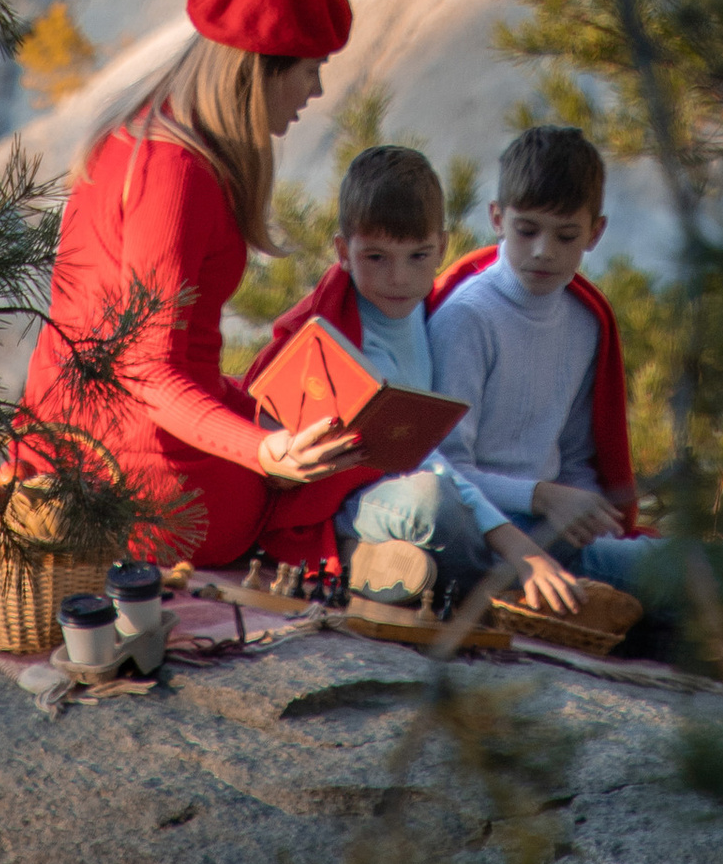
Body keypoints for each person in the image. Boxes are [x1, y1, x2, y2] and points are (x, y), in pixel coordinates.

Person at [7, 0, 364, 571]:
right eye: (312, 69)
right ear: (259, 72)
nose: (318, 89)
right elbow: (148, 375)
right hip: (128, 481)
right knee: (335, 474)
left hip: (70, 441)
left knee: (318, 440)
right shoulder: (178, 176)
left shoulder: (144, 134)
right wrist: (263, 452)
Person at [242, 142, 591, 620]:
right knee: (434, 504)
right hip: (350, 501)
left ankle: (408, 570)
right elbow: (425, 461)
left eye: (417, 256)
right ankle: (355, 558)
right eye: (377, 258)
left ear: (442, 248)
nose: (398, 279)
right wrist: (518, 547)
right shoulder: (343, 339)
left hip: (411, 490)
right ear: (343, 252)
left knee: (458, 508)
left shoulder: (430, 314)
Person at [428, 122, 723, 631]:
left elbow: (575, 456)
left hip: (556, 533)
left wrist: (591, 519)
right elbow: (444, 469)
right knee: (695, 584)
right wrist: (542, 496)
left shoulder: (583, 321)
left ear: (595, 232)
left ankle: (601, 602)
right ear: (497, 219)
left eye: (566, 235)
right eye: (527, 230)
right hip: (492, 530)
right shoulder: (468, 319)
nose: (544, 251)